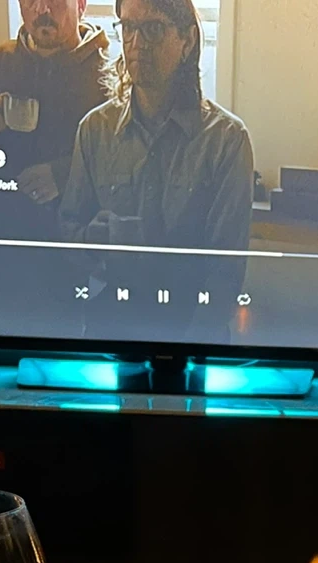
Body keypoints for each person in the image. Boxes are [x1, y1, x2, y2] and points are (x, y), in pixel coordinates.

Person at [60, 0, 253, 333]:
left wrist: (186, 351)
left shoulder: (225, 140)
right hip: (110, 329)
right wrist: (91, 238)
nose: (137, 43)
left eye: (153, 29)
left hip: (191, 331)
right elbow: (69, 232)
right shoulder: (95, 130)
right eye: (128, 28)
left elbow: (225, 273)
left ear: (187, 41)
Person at [0, 0, 114, 328]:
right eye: (30, 1)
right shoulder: (0, 60)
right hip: (3, 249)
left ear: (81, 5)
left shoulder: (108, 68)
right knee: (4, 350)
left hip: (75, 254)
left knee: (72, 352)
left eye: (54, 1)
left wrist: (64, 175)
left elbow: (124, 158)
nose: (42, 10)